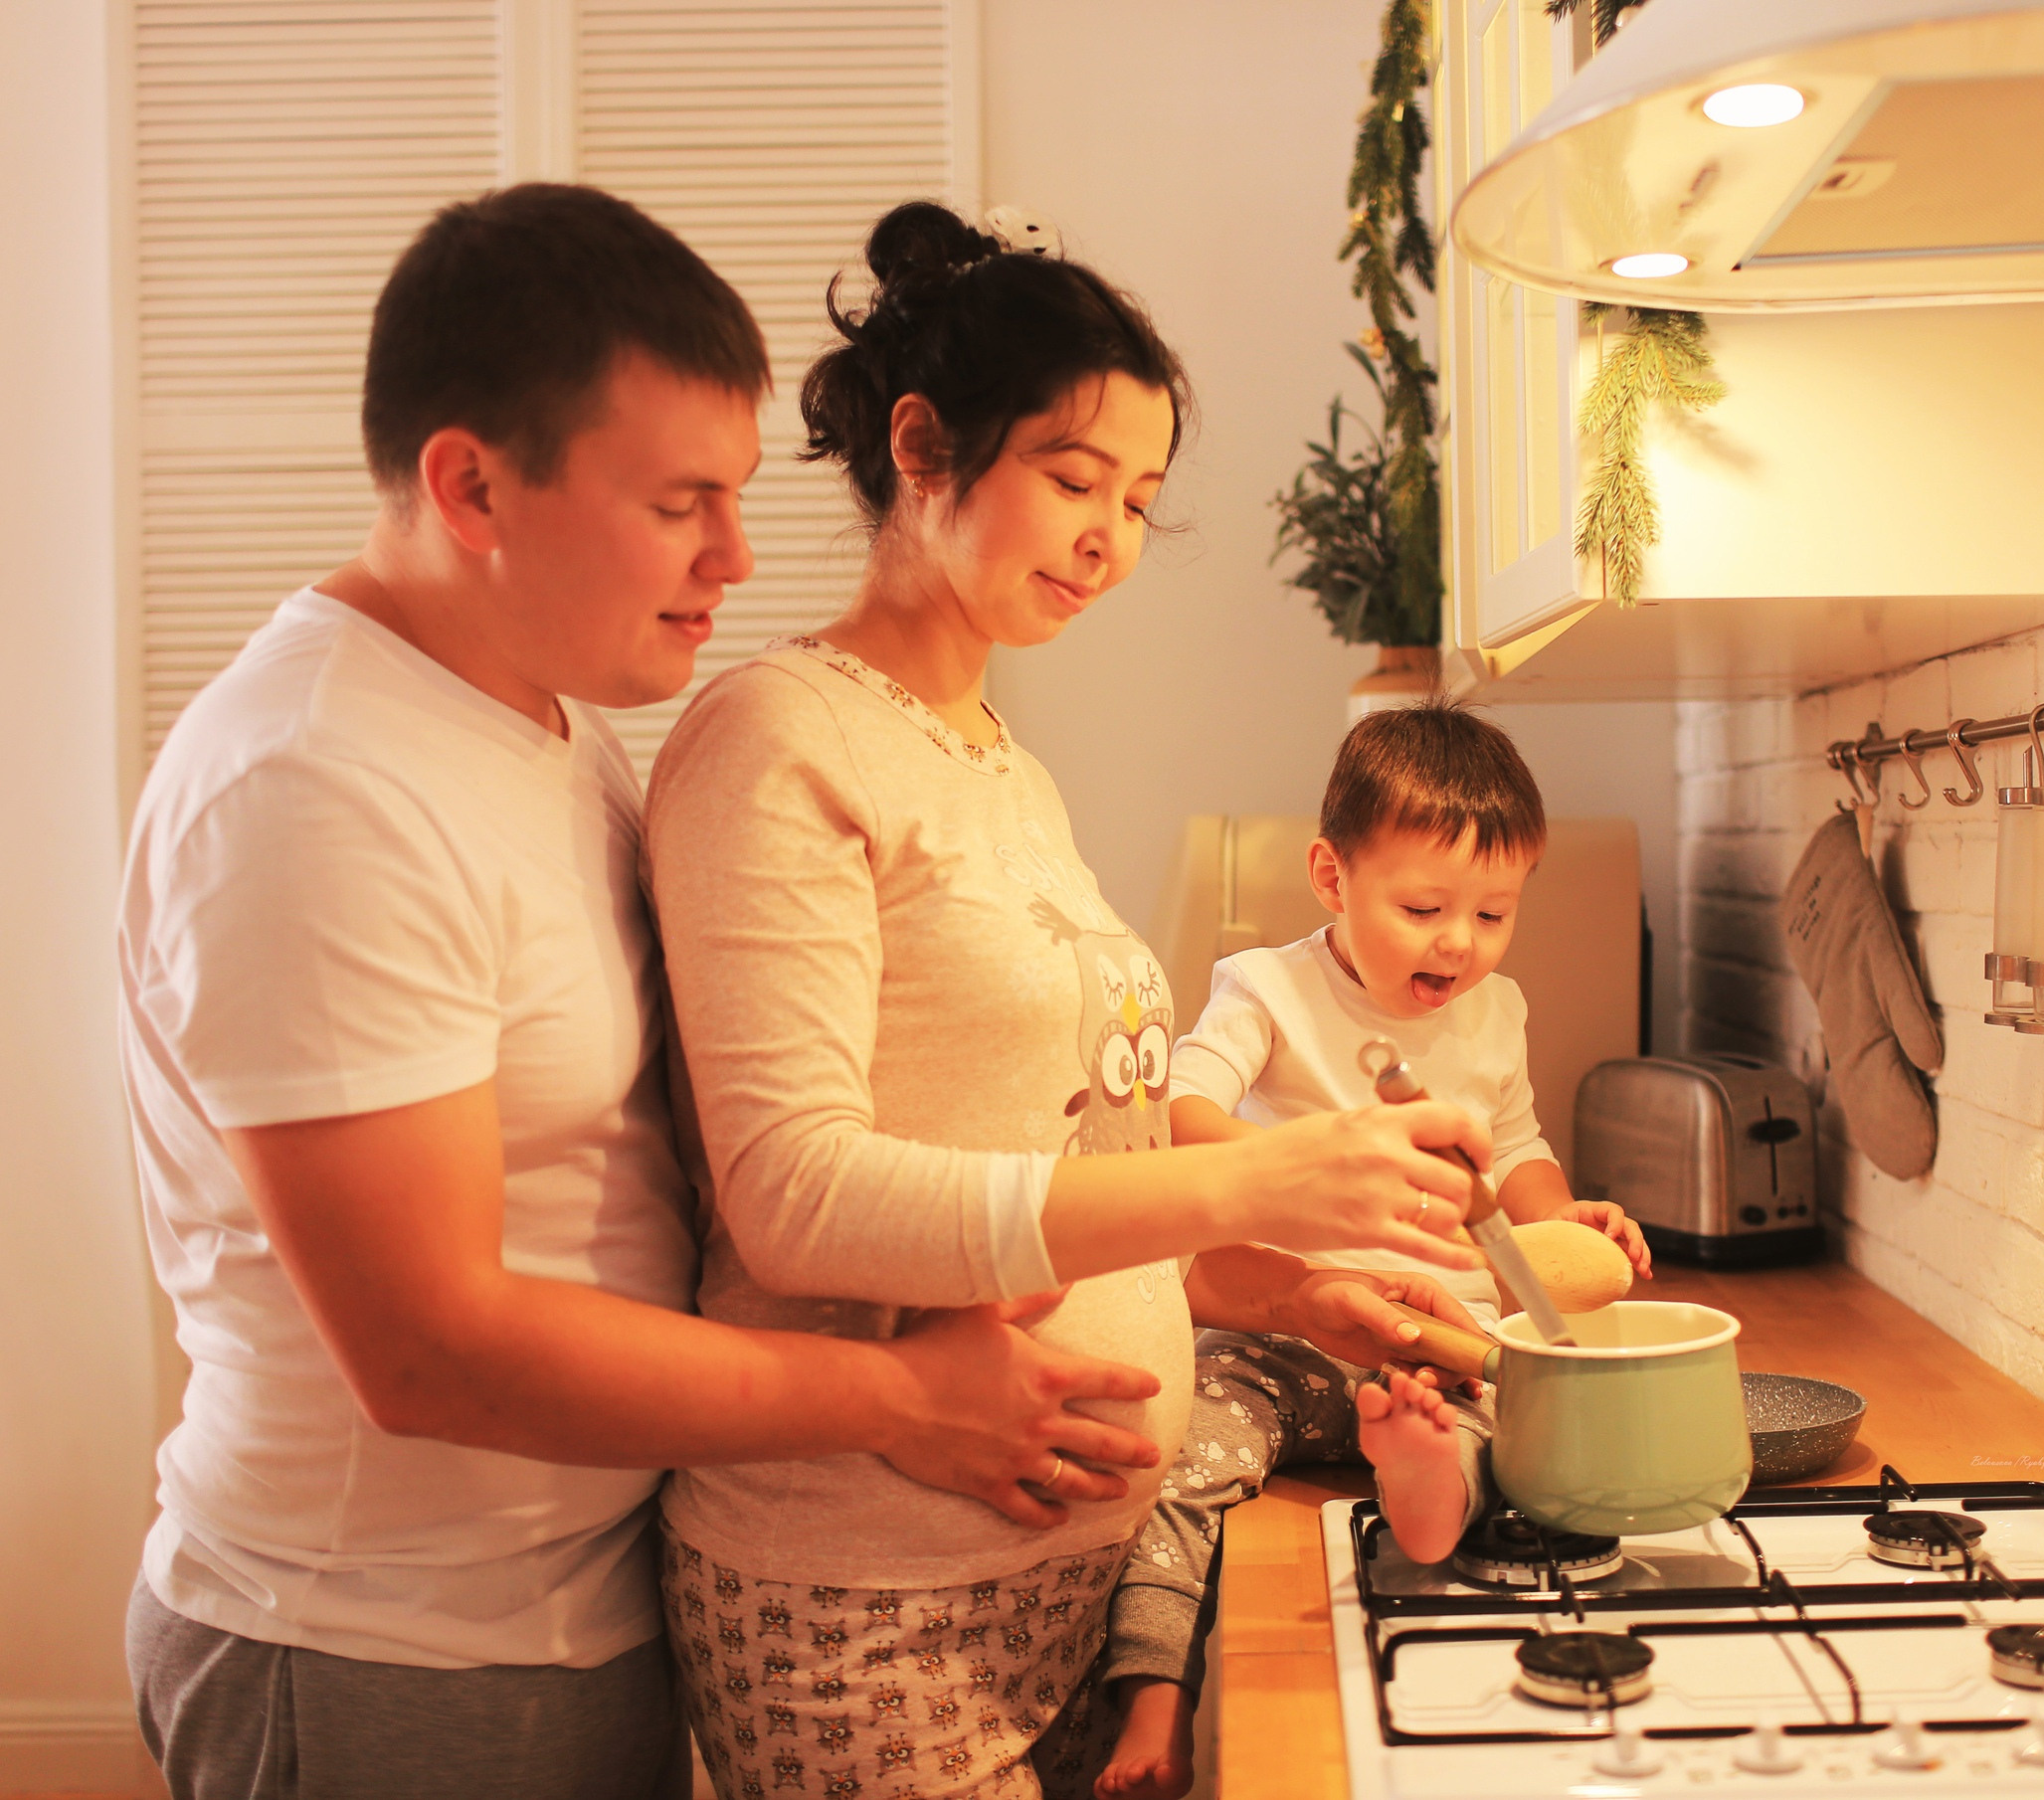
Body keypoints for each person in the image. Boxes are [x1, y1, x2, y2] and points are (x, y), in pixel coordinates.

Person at [117, 184, 1175, 1800]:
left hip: (575, 1603)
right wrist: (896, 1398)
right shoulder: (311, 783)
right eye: (685, 502)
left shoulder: (552, 731)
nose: (735, 557)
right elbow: (431, 1352)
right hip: (374, 1651)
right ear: (473, 482)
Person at [642, 202, 1492, 1800]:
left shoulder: (1006, 770)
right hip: (865, 1596)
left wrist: (1285, 1289)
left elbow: (1064, 1164)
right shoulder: (777, 740)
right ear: (923, 443)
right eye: (1075, 477)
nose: (1110, 536)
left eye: (1142, 501)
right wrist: (1251, 1174)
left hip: (1078, 1587)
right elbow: (792, 1194)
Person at [1095, 701, 1654, 1800]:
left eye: (1494, 912)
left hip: (1438, 1335)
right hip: (1280, 1325)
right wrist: (1316, 1167)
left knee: (1527, 1451)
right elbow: (1173, 1115)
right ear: (1329, 875)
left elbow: (1519, 1150)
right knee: (1181, 1461)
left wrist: (1561, 1213)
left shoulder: (1498, 1010)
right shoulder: (1265, 987)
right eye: (1423, 905)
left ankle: (1419, 1482)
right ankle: (1151, 1700)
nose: (1460, 940)